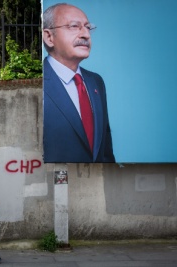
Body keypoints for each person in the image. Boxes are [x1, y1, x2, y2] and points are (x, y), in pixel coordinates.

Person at [43, 3, 115, 163]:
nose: (86, 35)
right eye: (74, 26)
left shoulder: (96, 82)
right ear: (49, 37)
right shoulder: (38, 82)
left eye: (88, 28)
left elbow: (105, 149)